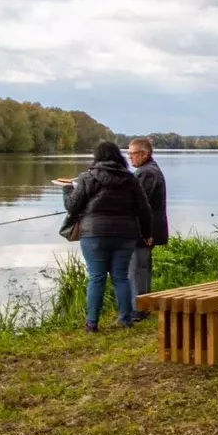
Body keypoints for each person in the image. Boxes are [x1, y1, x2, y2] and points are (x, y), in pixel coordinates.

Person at [63, 140, 152, 332]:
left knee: (96, 277)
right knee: (121, 277)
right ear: (118, 157)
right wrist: (146, 233)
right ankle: (125, 319)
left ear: (97, 157)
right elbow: (144, 209)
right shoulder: (130, 179)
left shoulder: (88, 177)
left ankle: (92, 323)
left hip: (94, 234)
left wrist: (67, 189)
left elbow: (72, 206)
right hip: (125, 235)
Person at [127, 137, 168, 321]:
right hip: (148, 227)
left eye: (133, 154)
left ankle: (139, 309)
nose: (130, 158)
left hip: (144, 228)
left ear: (145, 153)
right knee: (141, 267)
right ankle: (144, 305)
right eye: (128, 154)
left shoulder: (147, 173)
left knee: (137, 269)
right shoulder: (148, 170)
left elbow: (138, 203)